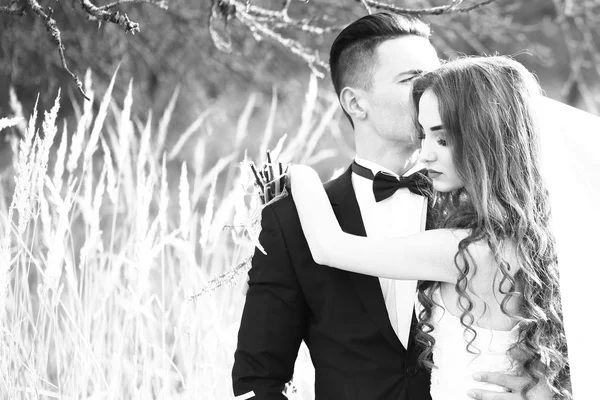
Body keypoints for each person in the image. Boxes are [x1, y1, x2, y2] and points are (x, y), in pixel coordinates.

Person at [233, 12, 553, 400]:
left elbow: (562, 331)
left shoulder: (489, 221)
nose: (434, 89)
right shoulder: (291, 220)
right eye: (412, 80)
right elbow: (259, 378)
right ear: (355, 102)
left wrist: (543, 385)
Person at [289, 56, 571, 399]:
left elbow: (329, 247)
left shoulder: (462, 251)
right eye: (423, 136)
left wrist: (298, 175)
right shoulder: (543, 239)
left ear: (487, 140)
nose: (424, 155)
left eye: (442, 140)